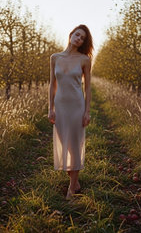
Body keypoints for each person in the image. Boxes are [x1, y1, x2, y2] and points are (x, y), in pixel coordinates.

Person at [48, 24, 93, 200]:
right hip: (60, 106)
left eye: (82, 38)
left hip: (76, 106)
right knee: (64, 145)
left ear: (83, 43)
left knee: (74, 146)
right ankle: (75, 181)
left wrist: (87, 111)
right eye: (77, 35)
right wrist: (50, 108)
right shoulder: (55, 58)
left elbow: (88, 88)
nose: (78, 39)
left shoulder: (84, 60)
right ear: (71, 34)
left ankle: (71, 190)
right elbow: (52, 85)